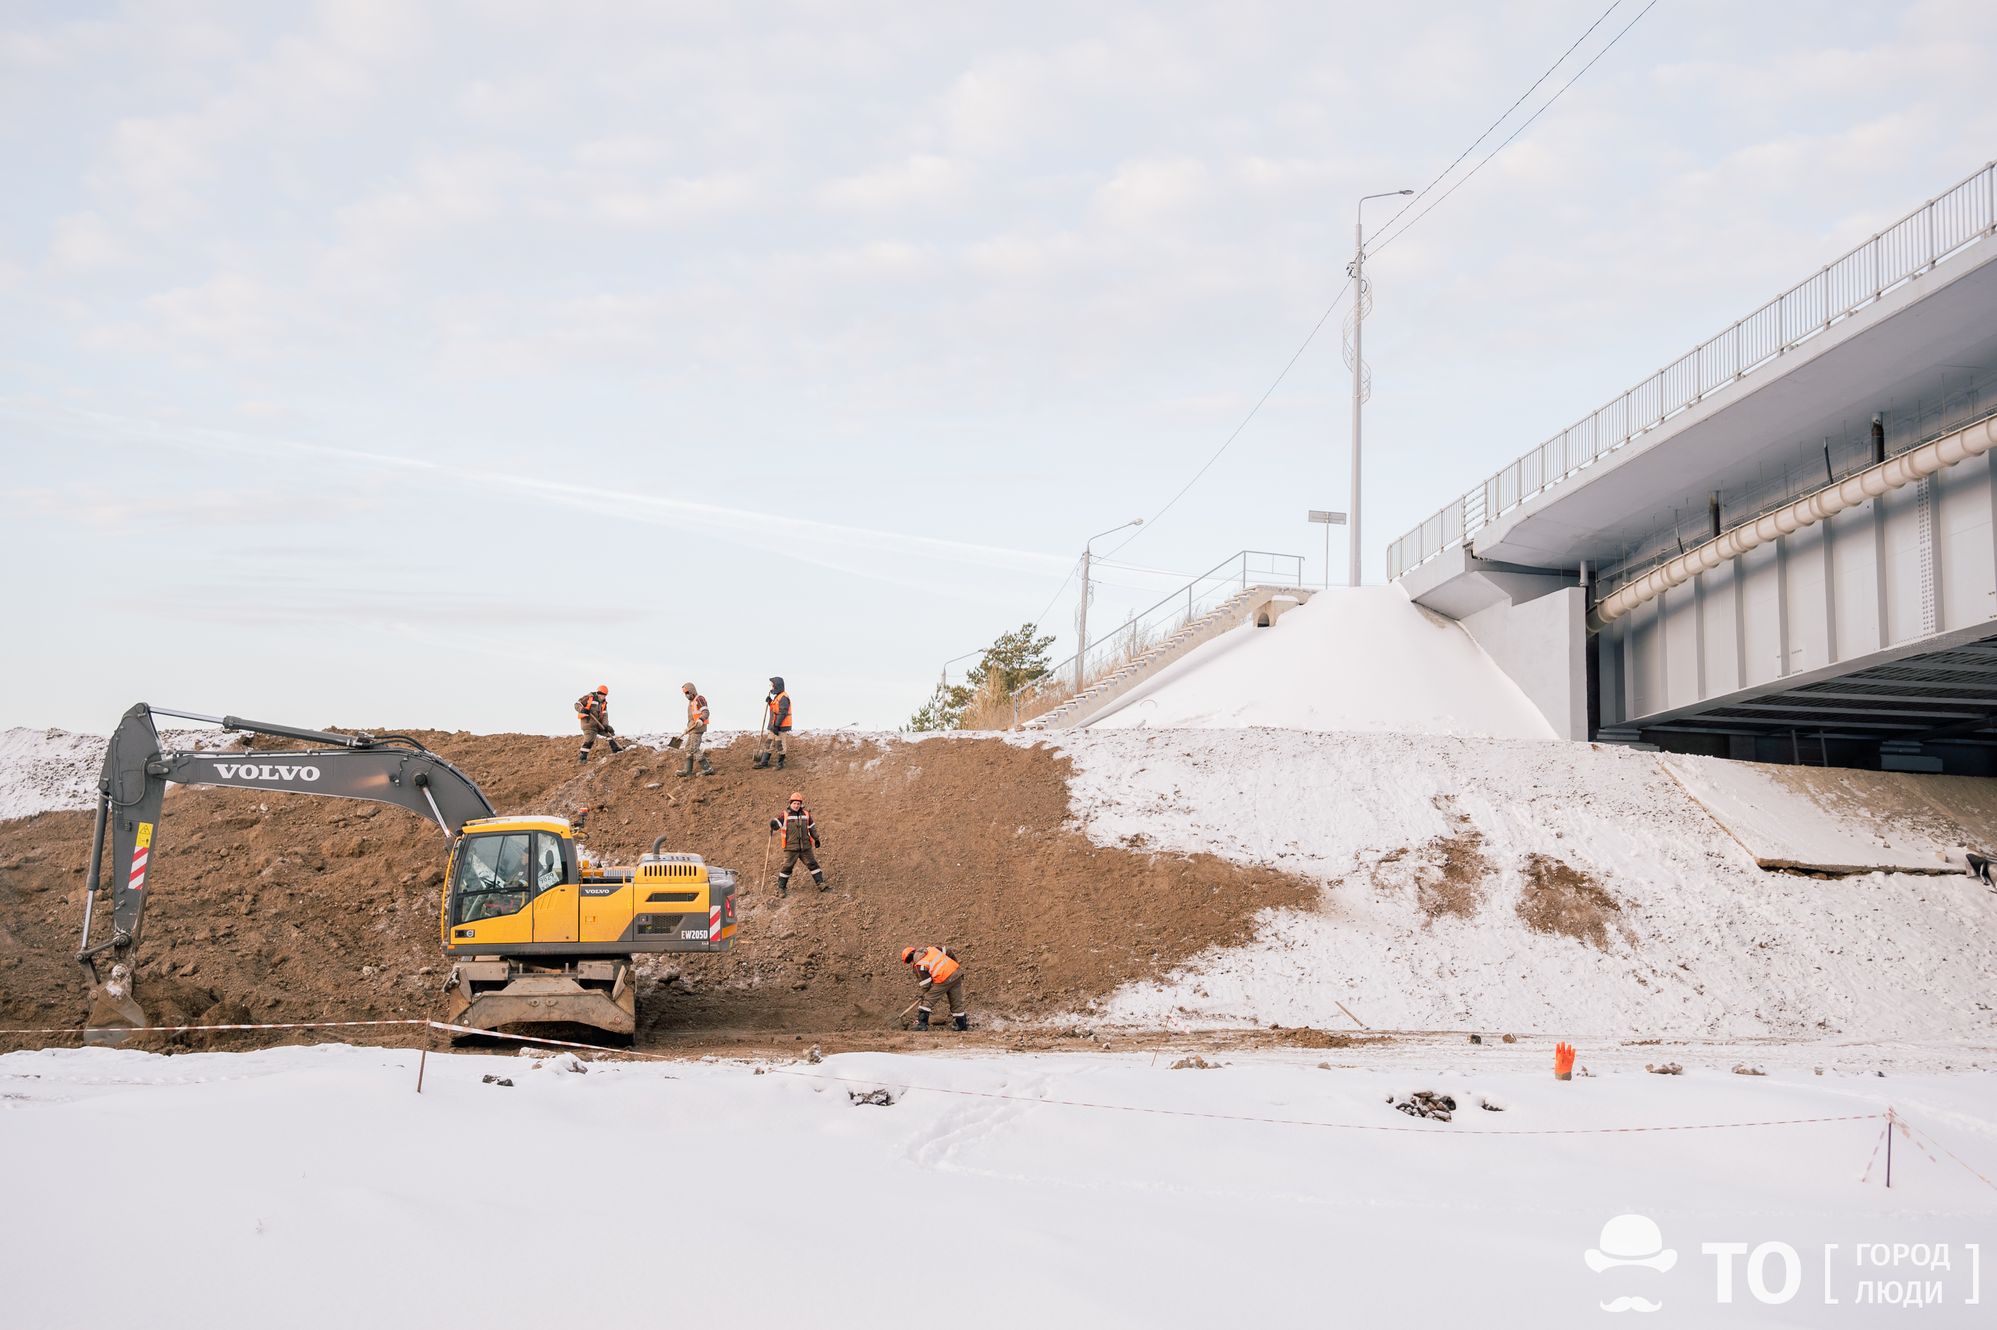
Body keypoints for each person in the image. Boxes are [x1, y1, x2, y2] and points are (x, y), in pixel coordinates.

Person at [768, 791, 825, 895]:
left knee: (813, 864)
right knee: (787, 867)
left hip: (805, 847)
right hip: (791, 848)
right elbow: (778, 822)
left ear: (801, 804)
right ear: (790, 803)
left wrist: (816, 838)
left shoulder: (806, 814)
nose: (796, 805)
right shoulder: (785, 814)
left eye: (798, 803)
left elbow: (812, 828)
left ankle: (821, 884)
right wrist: (774, 823)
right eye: (794, 803)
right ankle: (781, 889)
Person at [901, 945, 967, 1030]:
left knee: (927, 1000)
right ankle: (961, 1025)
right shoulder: (932, 949)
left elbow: (926, 984)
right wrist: (955, 964)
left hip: (944, 979)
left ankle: (922, 1025)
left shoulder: (919, 965)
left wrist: (925, 994)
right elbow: (949, 951)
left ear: (909, 960)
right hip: (957, 973)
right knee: (956, 1002)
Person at [575, 685, 624, 763]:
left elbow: (604, 715)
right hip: (588, 723)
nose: (602, 696)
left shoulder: (604, 703)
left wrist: (605, 725)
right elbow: (577, 704)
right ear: (598, 693)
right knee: (590, 738)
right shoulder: (589, 697)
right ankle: (583, 757)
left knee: (609, 731)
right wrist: (583, 709)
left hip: (598, 724)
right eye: (600, 694)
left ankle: (615, 749)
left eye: (604, 695)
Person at [676, 682, 714, 778]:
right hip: (692, 729)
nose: (686, 695)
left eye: (687, 692)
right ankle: (687, 770)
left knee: (693, 748)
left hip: (698, 729)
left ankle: (707, 768)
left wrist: (701, 719)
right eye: (685, 693)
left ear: (692, 691)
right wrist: (688, 728)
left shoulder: (699, 699)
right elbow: (692, 718)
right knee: (688, 748)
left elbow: (706, 712)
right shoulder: (691, 703)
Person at [753, 676, 792, 769]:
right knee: (769, 743)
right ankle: (764, 762)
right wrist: (770, 702)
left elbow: (783, 713)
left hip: (780, 726)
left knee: (780, 744)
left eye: (773, 685)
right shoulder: (778, 697)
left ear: (777, 686)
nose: (771, 687)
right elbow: (776, 710)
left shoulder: (783, 697)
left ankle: (780, 764)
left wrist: (776, 725)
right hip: (774, 725)